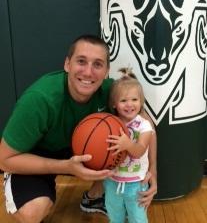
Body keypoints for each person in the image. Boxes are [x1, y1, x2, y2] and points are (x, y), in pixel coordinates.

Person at [0, 35, 157, 223]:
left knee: (110, 141)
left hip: (77, 148)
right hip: (36, 154)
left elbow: (147, 125)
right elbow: (4, 160)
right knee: (32, 212)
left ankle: (93, 198)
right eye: (81, 61)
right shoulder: (39, 100)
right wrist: (65, 167)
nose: (89, 72)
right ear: (67, 64)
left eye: (98, 64)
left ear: (107, 71)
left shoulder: (111, 91)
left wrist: (153, 169)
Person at [103, 68, 154, 223]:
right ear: (114, 104)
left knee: (138, 219)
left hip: (136, 183)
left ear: (141, 102)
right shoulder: (109, 123)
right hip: (112, 182)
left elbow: (139, 151)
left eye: (134, 99)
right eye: (123, 100)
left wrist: (126, 144)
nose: (129, 104)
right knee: (114, 217)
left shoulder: (144, 125)